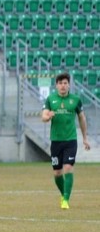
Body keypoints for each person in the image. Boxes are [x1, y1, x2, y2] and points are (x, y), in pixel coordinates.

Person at [40, 72, 90, 209]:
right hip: (56, 141)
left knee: (68, 167)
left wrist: (85, 138)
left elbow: (82, 118)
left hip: (70, 140)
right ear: (56, 85)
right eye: (60, 83)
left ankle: (66, 200)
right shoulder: (51, 99)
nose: (63, 86)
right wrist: (48, 116)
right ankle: (63, 194)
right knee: (57, 173)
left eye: (65, 83)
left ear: (69, 85)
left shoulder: (75, 100)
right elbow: (43, 116)